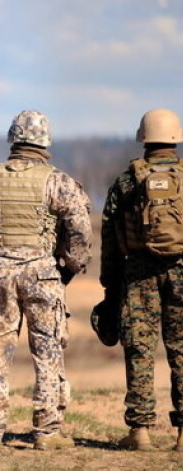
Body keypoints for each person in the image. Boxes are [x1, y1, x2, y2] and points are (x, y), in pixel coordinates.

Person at [0, 110, 92, 450]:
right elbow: (79, 229)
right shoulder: (58, 181)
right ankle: (47, 433)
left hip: (0, 273)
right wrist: (69, 269)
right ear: (45, 141)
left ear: (13, 138)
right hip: (44, 275)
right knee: (48, 351)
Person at [100, 108, 183, 452]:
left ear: (143, 139)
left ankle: (140, 433)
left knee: (140, 350)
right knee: (181, 351)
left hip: (137, 274)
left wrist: (110, 285)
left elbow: (109, 236)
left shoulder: (126, 181)